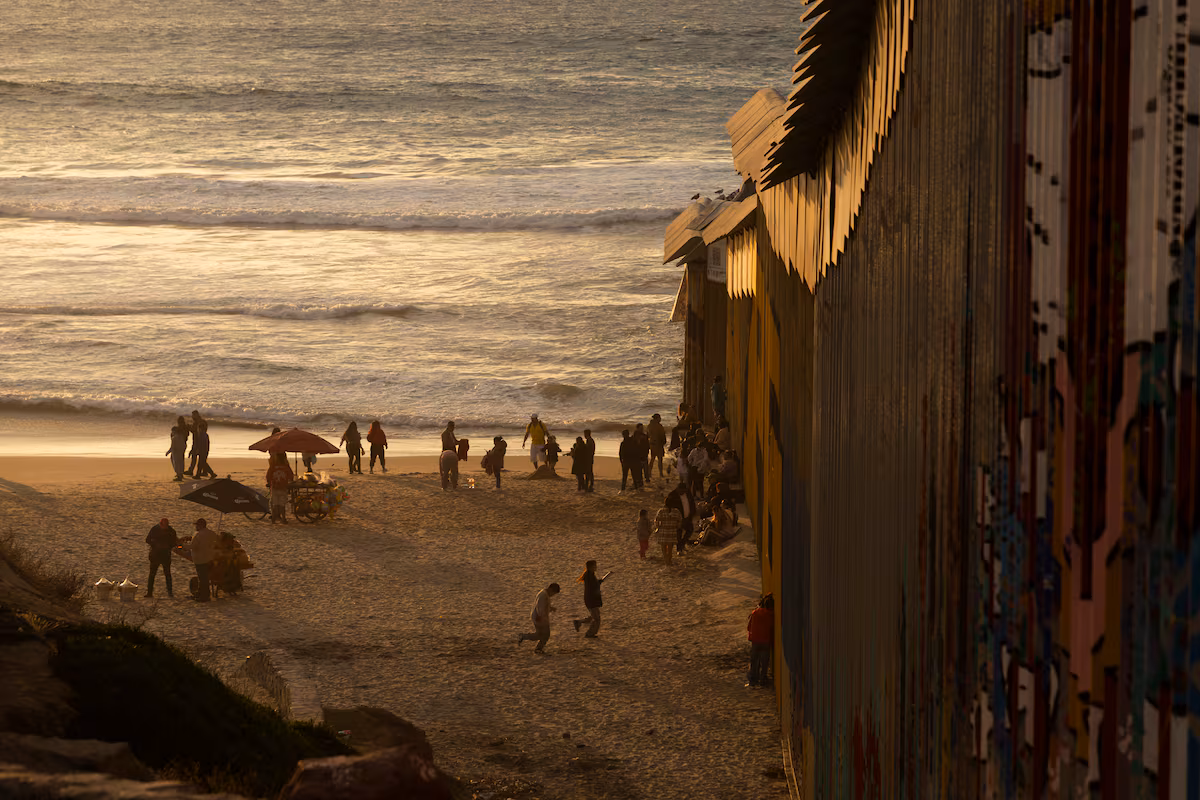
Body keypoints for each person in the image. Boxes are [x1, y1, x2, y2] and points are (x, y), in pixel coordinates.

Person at [517, 582, 560, 653]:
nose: (553, 595)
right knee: (544, 635)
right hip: (540, 618)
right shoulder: (543, 596)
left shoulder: (544, 594)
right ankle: (537, 648)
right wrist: (541, 617)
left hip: (540, 617)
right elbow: (540, 607)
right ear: (551, 589)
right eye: (553, 593)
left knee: (540, 635)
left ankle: (526, 638)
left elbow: (543, 606)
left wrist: (551, 608)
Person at [572, 560, 610, 638]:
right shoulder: (589, 576)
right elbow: (592, 587)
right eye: (594, 566)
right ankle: (589, 633)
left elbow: (593, 585)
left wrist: (599, 582)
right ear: (590, 567)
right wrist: (599, 582)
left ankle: (579, 622)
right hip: (591, 599)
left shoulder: (590, 575)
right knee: (597, 619)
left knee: (594, 617)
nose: (595, 567)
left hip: (592, 599)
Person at [144, 518, 178, 598]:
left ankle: (170, 592)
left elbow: (174, 543)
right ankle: (149, 592)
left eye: (166, 526)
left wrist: (171, 546)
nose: (165, 528)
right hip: (155, 555)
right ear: (160, 524)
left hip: (166, 555)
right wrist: (155, 544)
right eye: (164, 526)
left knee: (167, 574)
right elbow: (147, 540)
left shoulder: (171, 531)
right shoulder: (154, 529)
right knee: (152, 574)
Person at [746, 594, 774, 687]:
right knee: (764, 661)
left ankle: (753, 679)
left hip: (756, 640)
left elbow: (749, 627)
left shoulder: (755, 613)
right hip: (766, 640)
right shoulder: (771, 614)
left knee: (754, 660)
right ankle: (763, 679)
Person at [189, 518, 218, 602]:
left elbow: (191, 546)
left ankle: (204, 596)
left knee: (202, 578)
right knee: (205, 577)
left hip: (200, 560)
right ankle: (202, 593)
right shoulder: (211, 533)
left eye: (197, 525)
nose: (196, 527)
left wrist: (180, 546)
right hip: (209, 559)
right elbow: (217, 542)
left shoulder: (198, 535)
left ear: (200, 526)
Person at [266, 452, 294, 524]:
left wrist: (269, 482)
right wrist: (290, 480)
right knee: (282, 504)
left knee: (275, 504)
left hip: (275, 487)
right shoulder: (286, 466)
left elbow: (268, 475)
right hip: (283, 487)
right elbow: (291, 475)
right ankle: (283, 519)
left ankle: (274, 519)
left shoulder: (273, 465)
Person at [647, 413, 667, 479]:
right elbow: (662, 435)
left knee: (652, 459)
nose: (660, 419)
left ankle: (649, 473)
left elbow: (648, 435)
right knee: (660, 460)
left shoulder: (649, 425)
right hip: (658, 444)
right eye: (659, 418)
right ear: (657, 418)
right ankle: (660, 473)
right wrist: (664, 442)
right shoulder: (659, 426)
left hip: (652, 444)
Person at [184, 410, 204, 476]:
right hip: (198, 441)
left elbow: (195, 431)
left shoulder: (198, 422)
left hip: (198, 441)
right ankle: (192, 470)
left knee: (196, 456)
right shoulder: (199, 421)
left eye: (193, 415)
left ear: (196, 415)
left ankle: (192, 470)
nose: (192, 417)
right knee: (197, 456)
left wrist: (189, 428)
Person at [630, 423, 649, 488]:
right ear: (637, 428)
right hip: (638, 455)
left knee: (645, 469)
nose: (642, 429)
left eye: (642, 428)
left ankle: (645, 480)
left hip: (644, 454)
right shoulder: (634, 436)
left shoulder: (644, 436)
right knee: (639, 470)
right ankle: (639, 482)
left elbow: (647, 445)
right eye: (640, 428)